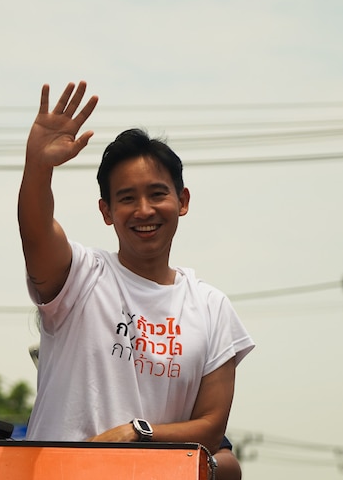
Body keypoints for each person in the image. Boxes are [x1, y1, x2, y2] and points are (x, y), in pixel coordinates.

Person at [17, 81, 254, 454]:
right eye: (127, 198)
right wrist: (37, 167)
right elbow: (36, 231)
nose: (144, 210)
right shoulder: (79, 276)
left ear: (182, 201)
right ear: (107, 211)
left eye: (157, 194)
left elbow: (210, 428)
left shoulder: (211, 308)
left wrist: (137, 432)